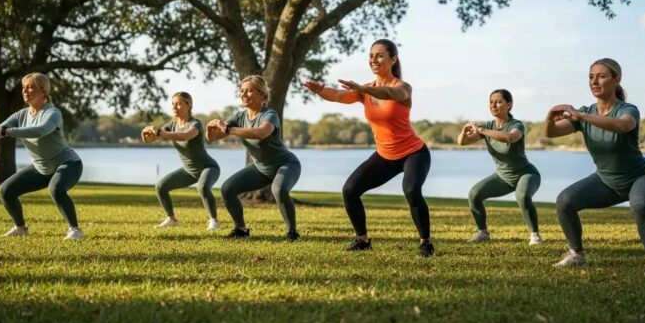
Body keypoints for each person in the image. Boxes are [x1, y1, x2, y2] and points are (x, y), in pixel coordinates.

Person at [303, 39, 434, 257]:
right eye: (371, 56)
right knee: (350, 190)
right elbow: (338, 95)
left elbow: (390, 94)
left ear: (393, 59)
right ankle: (363, 240)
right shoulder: (365, 90)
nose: (374, 60)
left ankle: (426, 243)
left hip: (413, 152)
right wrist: (320, 90)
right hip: (385, 155)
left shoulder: (403, 87)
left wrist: (363, 89)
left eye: (380, 55)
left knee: (412, 190)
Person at [544, 58, 645, 275]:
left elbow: (622, 126)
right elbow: (551, 133)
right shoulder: (585, 113)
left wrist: (582, 116)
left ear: (617, 79)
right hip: (607, 181)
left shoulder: (627, 109)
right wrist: (550, 119)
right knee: (565, 201)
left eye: (601, 76)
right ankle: (576, 255)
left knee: (639, 204)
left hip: (642, 177)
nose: (594, 82)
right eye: (591, 77)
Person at [0, 73, 84, 240]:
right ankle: (20, 228)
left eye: (31, 87)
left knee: (56, 189)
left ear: (43, 91)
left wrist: (5, 131)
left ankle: (75, 230)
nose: (25, 91)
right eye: (24, 88)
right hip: (41, 167)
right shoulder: (21, 115)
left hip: (68, 163)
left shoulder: (53, 113)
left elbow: (40, 130)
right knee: (6, 190)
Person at [206, 75, 302, 241]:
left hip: (286, 164)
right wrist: (210, 130)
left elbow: (260, 133)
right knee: (227, 189)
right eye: (242, 91)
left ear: (262, 94)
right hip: (261, 168)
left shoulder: (269, 115)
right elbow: (214, 137)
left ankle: (292, 232)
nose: (244, 94)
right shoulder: (239, 117)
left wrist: (228, 129)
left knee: (279, 189)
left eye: (249, 91)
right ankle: (241, 230)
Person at [458, 89, 543, 245]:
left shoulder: (516, 125)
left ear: (509, 105)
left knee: (522, 196)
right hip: (503, 177)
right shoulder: (488, 126)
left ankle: (535, 235)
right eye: (491, 102)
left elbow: (510, 137)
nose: (493, 105)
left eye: (498, 102)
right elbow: (462, 142)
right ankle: (483, 233)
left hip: (526, 174)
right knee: (474, 194)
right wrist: (464, 132)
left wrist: (482, 130)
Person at [142, 92, 221, 231]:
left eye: (178, 104)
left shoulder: (195, 124)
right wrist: (147, 133)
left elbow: (184, 136)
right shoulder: (172, 125)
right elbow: (151, 139)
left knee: (202, 187)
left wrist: (160, 133)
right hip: (189, 171)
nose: (174, 107)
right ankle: (171, 219)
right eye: (173, 104)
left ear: (188, 105)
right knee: (161, 187)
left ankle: (214, 221)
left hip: (208, 167)